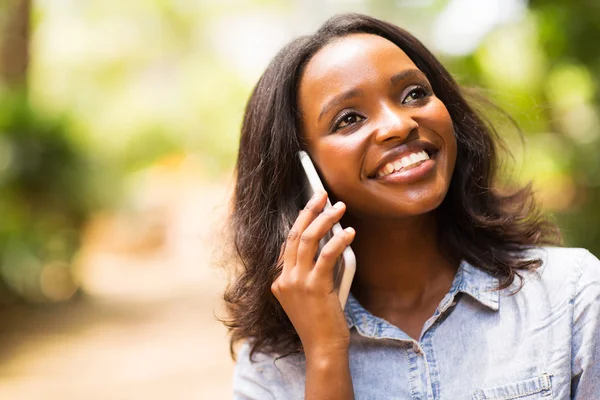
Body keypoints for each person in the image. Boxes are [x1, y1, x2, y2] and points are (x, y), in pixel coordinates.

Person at [222, 13, 600, 400]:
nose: (399, 124)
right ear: (304, 172)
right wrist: (325, 355)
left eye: (414, 94)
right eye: (348, 119)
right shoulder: (270, 365)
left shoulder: (571, 296)